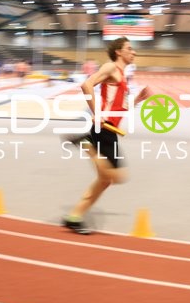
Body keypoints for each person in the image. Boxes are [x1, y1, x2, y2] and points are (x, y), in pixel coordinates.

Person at [61, 37, 150, 235]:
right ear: (119, 52)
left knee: (105, 180)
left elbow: (121, 107)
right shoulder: (111, 67)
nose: (133, 52)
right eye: (129, 48)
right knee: (116, 177)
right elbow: (86, 85)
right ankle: (86, 142)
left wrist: (138, 99)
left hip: (109, 130)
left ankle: (74, 217)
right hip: (103, 128)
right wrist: (97, 113)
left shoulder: (122, 78)